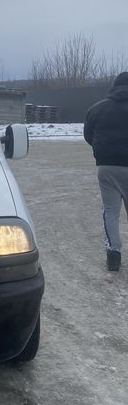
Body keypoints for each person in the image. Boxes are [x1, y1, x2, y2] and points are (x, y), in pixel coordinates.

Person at [84, 72, 128, 271]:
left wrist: (103, 151)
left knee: (111, 211)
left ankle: (113, 256)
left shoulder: (97, 108)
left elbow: (88, 135)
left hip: (107, 167)